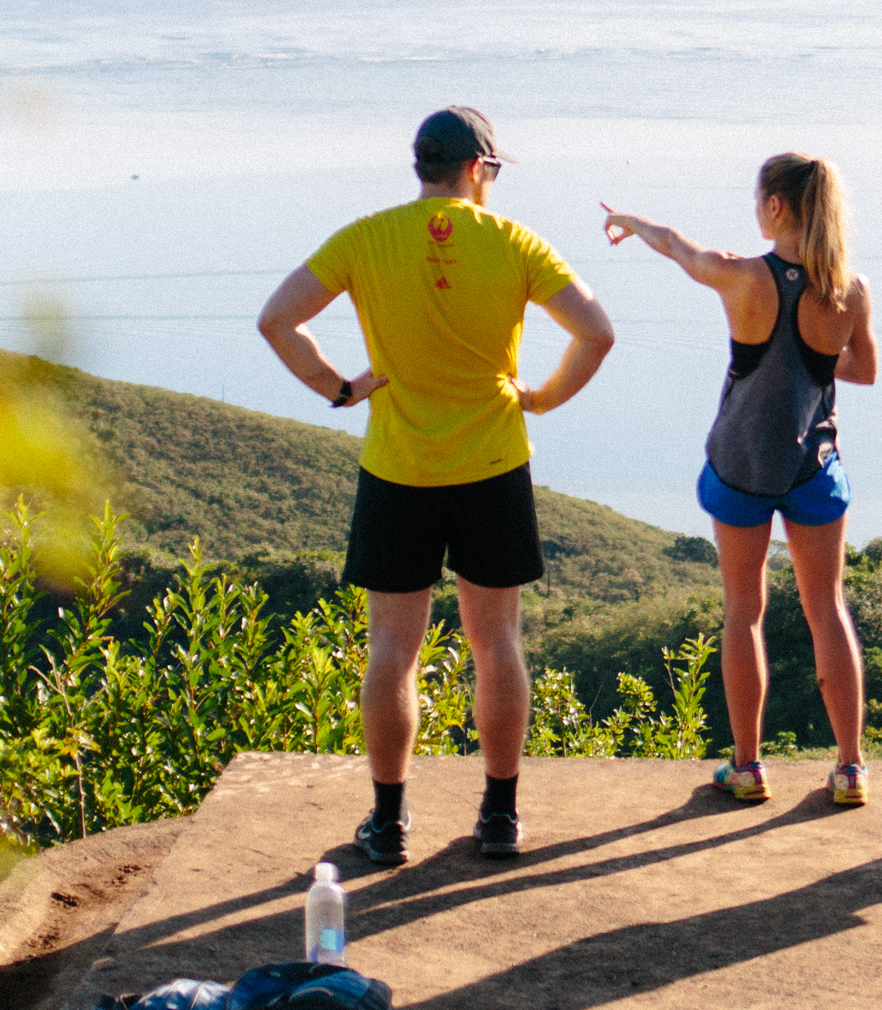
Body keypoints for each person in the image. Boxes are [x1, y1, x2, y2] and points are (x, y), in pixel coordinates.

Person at [256, 106, 617, 867]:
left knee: (392, 647)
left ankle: (387, 823)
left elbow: (277, 319)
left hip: (398, 470)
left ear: (421, 166)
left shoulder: (365, 237)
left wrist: (340, 388)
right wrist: (542, 397)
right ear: (480, 168)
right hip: (492, 466)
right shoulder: (514, 242)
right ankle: (499, 816)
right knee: (498, 643)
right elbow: (597, 330)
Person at [602, 154, 881, 808]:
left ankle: (749, 765)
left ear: (777, 207)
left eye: (760, 199)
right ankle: (849, 767)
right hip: (811, 461)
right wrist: (814, 351)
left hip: (741, 463)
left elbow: (676, 246)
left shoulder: (739, 276)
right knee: (827, 609)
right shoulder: (851, 290)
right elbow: (863, 369)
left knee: (744, 611)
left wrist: (628, 221)